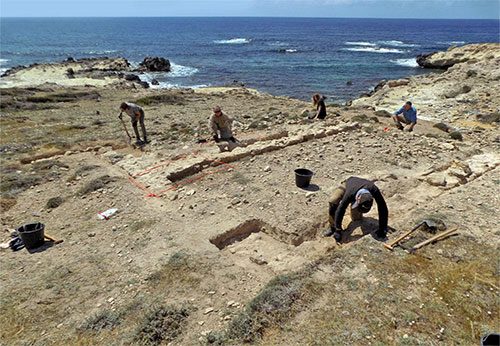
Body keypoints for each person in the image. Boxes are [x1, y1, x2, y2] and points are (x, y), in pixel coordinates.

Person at [324, 176, 388, 242]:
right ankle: (332, 226)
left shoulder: (374, 190)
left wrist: (383, 228)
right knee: (333, 200)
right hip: (349, 184)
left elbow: (382, 207)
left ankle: (357, 216)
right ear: (358, 199)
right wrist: (338, 229)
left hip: (360, 187)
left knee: (356, 218)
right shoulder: (349, 194)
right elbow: (341, 209)